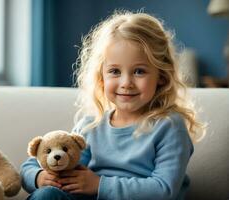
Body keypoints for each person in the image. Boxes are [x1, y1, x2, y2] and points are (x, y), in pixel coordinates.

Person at [20, 10, 206, 200]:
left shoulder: (169, 126)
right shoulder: (91, 126)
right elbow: (32, 165)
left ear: (161, 76)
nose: (126, 82)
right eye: (115, 71)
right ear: (101, 77)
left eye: (139, 71)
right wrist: (40, 177)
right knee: (47, 195)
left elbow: (164, 189)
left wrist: (99, 185)